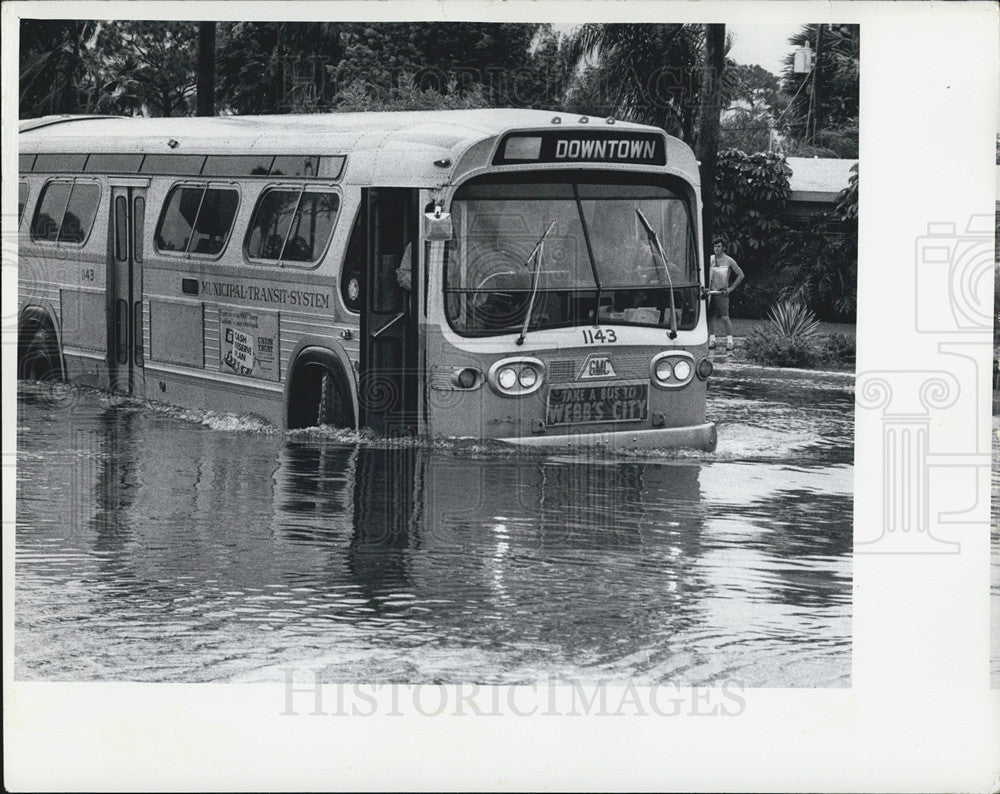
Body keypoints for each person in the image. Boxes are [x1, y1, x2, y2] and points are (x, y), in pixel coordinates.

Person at [707, 239, 744, 351]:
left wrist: (731, 288)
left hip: (721, 292)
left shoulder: (729, 260)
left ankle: (730, 341)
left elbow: (741, 275)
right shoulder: (710, 259)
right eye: (715, 246)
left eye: (718, 246)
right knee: (709, 317)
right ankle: (712, 339)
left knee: (724, 317)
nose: (716, 249)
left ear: (723, 247)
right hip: (709, 292)